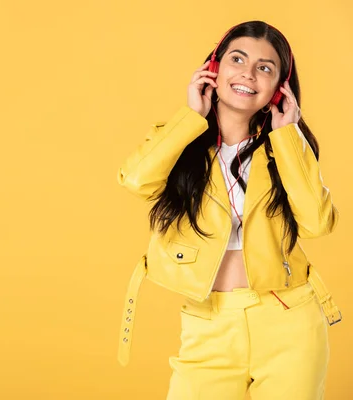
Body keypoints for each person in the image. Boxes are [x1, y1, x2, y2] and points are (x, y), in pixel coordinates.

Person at [115, 20, 342, 399]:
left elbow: (318, 223)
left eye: (265, 68)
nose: (248, 74)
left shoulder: (284, 148)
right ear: (215, 68)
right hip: (208, 322)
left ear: (278, 89)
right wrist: (190, 116)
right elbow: (136, 180)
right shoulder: (179, 140)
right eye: (237, 59)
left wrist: (288, 135)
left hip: (290, 320)